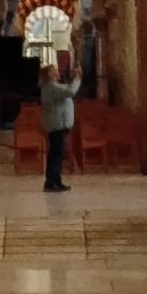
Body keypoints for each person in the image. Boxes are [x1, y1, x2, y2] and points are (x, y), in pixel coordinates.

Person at [39, 53, 81, 193]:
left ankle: (56, 180)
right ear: (49, 75)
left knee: (58, 154)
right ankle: (51, 182)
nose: (57, 72)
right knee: (56, 154)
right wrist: (77, 78)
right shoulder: (51, 88)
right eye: (54, 71)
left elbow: (66, 91)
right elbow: (70, 91)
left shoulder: (53, 87)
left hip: (59, 124)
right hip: (57, 125)